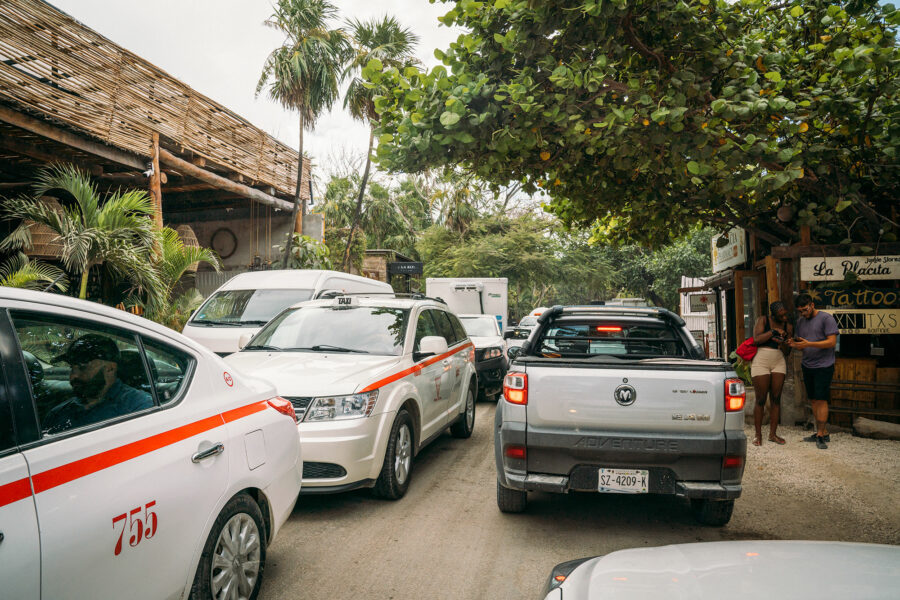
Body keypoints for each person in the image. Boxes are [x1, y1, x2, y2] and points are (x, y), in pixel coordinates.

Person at [42, 334, 154, 433]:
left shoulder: (138, 406)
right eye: (72, 368)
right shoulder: (58, 413)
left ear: (110, 369)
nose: (73, 376)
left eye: (83, 367)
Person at [790, 293, 839, 450]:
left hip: (824, 365)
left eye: (805, 310)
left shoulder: (826, 319)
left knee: (821, 399)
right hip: (807, 364)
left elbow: (832, 342)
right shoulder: (800, 322)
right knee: (813, 400)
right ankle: (823, 432)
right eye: (800, 311)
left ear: (812, 305)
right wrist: (794, 344)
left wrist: (809, 344)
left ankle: (820, 435)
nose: (803, 313)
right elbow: (801, 342)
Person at [750, 301, 792, 446]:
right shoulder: (763, 320)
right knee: (761, 399)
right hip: (761, 360)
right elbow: (756, 340)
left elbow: (787, 352)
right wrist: (773, 332)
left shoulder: (788, 326)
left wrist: (783, 341)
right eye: (781, 316)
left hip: (778, 360)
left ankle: (773, 434)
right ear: (773, 315)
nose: (784, 318)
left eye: (785, 314)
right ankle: (757, 435)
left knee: (776, 398)